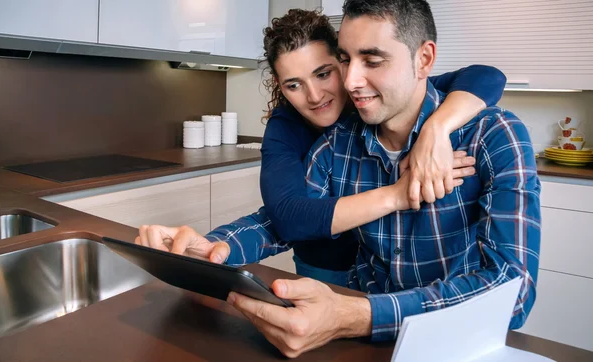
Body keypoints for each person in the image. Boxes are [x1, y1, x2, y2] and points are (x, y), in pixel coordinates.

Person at [141, 0, 541, 358]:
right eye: (347, 59)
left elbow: (513, 294)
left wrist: (360, 314)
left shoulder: (492, 136)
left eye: (372, 60)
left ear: (424, 60)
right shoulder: (338, 144)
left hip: (460, 348)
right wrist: (213, 247)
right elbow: (281, 220)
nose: (348, 82)